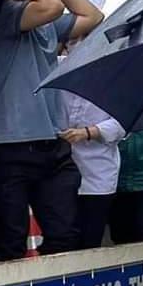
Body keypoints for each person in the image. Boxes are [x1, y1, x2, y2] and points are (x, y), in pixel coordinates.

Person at [0, 0, 105, 261]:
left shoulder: (46, 23)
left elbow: (92, 15)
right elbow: (51, 6)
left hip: (51, 144)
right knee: (9, 242)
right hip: (7, 147)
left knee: (64, 237)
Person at [55, 83, 126, 249]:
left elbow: (123, 123)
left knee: (89, 240)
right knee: (61, 240)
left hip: (98, 174)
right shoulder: (57, 71)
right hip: (60, 172)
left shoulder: (117, 81)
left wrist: (89, 132)